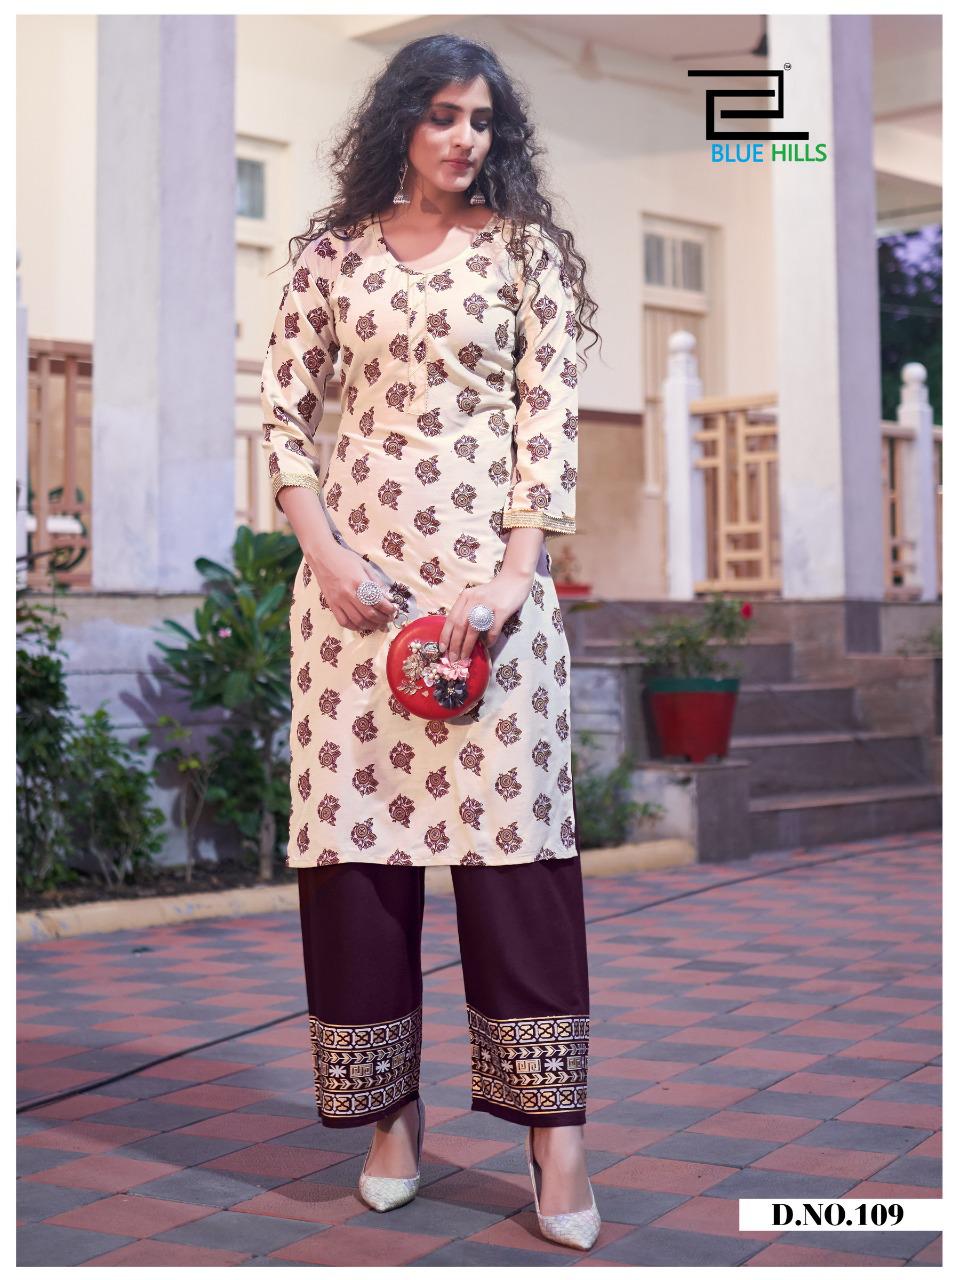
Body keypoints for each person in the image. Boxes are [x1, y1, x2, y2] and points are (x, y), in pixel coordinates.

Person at [259, 33, 603, 1250]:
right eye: (444, 114)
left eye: (482, 119)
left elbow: (545, 422)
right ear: (401, 120)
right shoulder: (330, 257)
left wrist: (513, 577)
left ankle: (556, 1134)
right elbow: (285, 417)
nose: (464, 137)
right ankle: (389, 1116)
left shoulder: (525, 253)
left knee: (517, 856)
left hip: (488, 603)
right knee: (357, 857)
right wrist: (326, 555)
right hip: (353, 605)